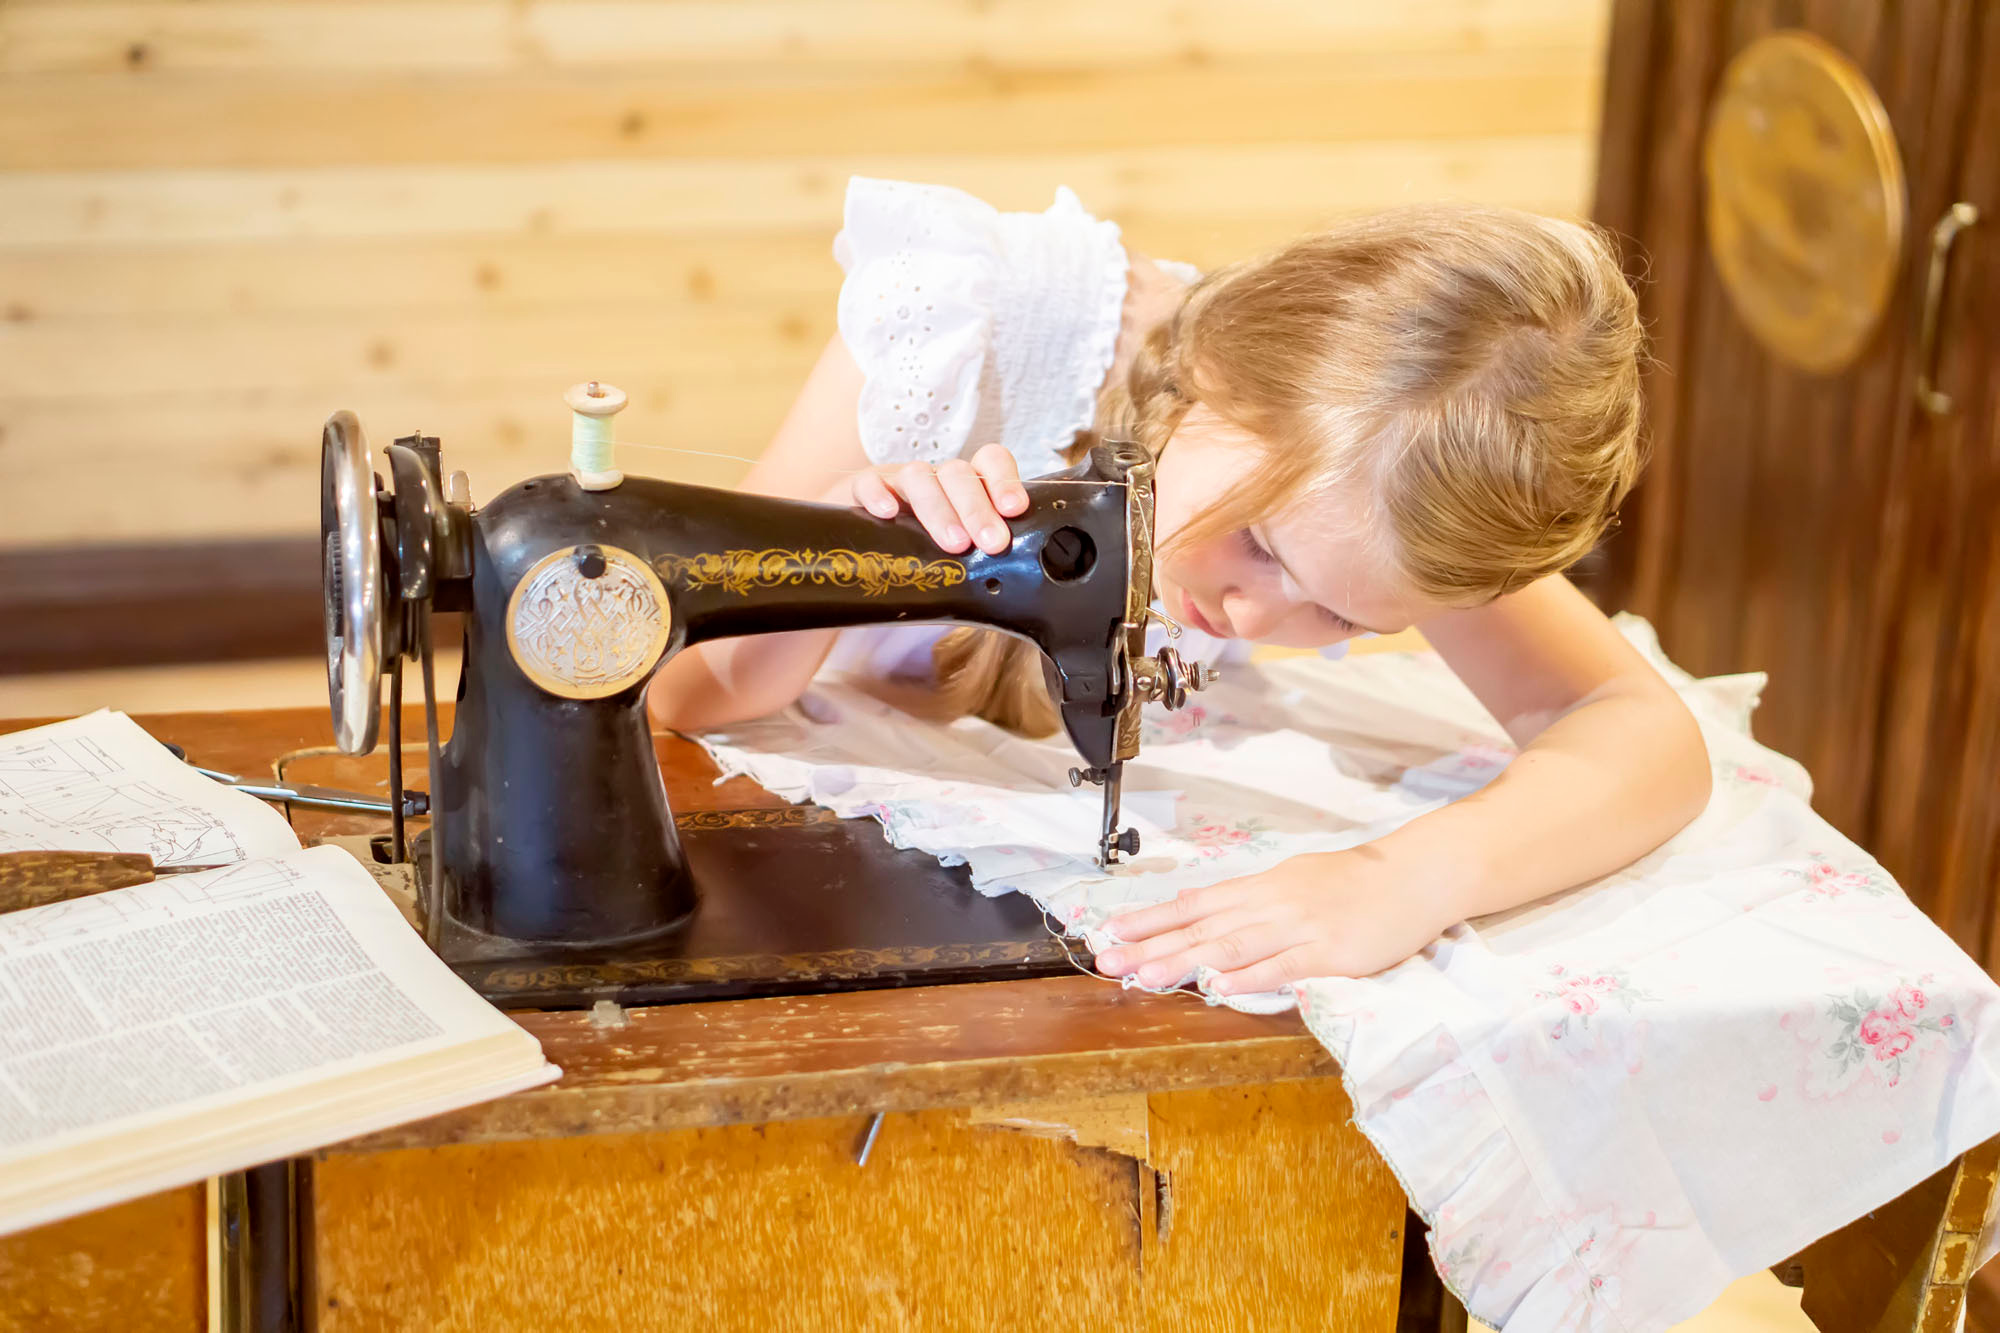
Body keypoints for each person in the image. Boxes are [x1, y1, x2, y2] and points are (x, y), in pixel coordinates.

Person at [647, 176, 1710, 994]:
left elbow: (1632, 729)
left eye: (1336, 616)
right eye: (1255, 543)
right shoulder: (969, 322)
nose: (1253, 614)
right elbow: (683, 695)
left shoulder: (1419, 468)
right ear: (1215, 384)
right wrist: (853, 542)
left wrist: (1407, 878)